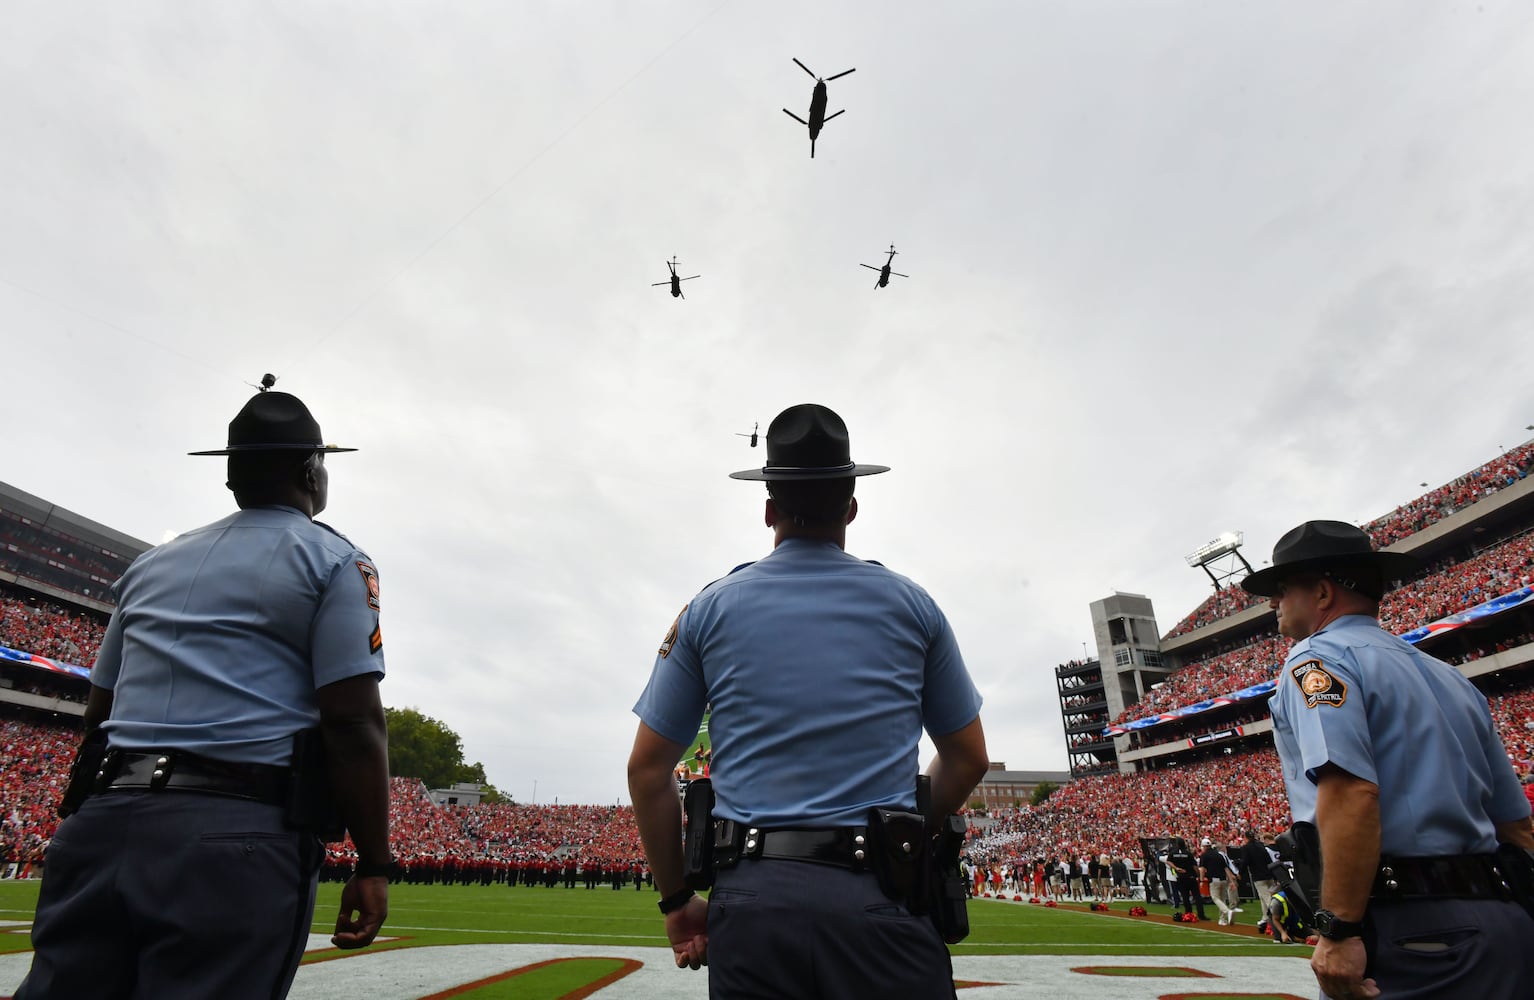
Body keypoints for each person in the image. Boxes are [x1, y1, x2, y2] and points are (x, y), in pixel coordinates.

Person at [16, 388, 393, 1000]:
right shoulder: (336, 561)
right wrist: (375, 862)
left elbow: (99, 710)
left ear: (230, 476)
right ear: (311, 470)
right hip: (234, 832)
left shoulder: (150, 565)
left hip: (101, 821)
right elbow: (351, 723)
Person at [627, 403, 988, 999]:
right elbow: (968, 757)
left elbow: (647, 769)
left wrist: (676, 900)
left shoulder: (708, 609)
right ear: (851, 506)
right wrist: (902, 837)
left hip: (754, 902)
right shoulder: (914, 607)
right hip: (883, 896)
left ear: (768, 508)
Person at [1244, 519, 1534, 1000]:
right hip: (1502, 918)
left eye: (1281, 588)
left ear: (1320, 592)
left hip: (1414, 933)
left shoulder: (1315, 660)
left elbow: (1351, 790)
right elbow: (1516, 826)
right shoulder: (1452, 677)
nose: (1273, 602)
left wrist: (1338, 928)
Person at [1240, 828, 1279, 915]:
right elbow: (1269, 860)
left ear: (1246, 838)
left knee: (1267, 898)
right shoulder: (1261, 845)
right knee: (1263, 897)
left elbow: (1245, 862)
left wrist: (1240, 873)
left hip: (1258, 877)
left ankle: (1277, 917)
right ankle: (1265, 918)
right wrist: (1274, 875)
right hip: (1269, 874)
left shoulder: (1246, 848)